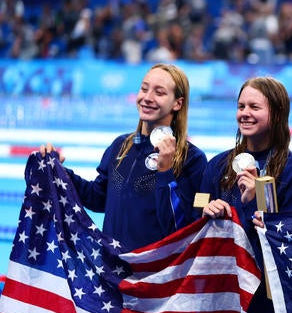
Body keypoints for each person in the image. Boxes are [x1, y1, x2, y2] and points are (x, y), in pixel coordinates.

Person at [198, 76, 292, 313]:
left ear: (276, 114)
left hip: (267, 299)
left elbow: (290, 238)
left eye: (254, 106)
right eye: (240, 106)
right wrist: (205, 209)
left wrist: (259, 197)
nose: (245, 113)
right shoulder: (216, 165)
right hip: (223, 290)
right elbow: (195, 207)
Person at [40, 63, 207, 253]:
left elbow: (181, 228)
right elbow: (98, 198)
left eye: (159, 93)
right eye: (144, 89)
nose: (147, 97)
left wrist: (165, 171)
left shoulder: (192, 159)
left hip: (155, 275)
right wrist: (59, 171)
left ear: (177, 103)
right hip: (113, 270)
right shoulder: (121, 145)